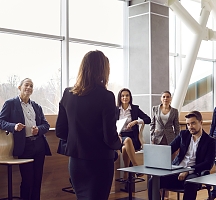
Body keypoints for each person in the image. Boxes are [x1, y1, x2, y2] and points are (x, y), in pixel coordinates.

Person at [55, 50, 122, 200]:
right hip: (100, 163)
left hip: (76, 163)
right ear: (103, 70)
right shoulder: (106, 96)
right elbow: (110, 137)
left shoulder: (68, 94)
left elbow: (60, 131)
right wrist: (119, 142)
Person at [0, 78, 51, 200]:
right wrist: (14, 127)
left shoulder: (37, 106)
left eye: (31, 86)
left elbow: (46, 125)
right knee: (27, 180)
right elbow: (1, 121)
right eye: (26, 85)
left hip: (39, 146)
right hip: (24, 146)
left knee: (37, 180)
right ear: (19, 87)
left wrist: (38, 129)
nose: (29, 88)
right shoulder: (10, 103)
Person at [148, 111, 216, 200]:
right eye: (188, 124)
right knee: (153, 181)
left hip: (194, 173)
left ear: (201, 122)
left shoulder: (210, 141)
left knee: (190, 182)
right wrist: (158, 159)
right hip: (177, 171)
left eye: (193, 123)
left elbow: (208, 164)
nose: (190, 127)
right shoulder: (183, 135)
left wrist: (188, 171)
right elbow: (169, 149)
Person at [150, 91, 180, 199]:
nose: (165, 98)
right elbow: (152, 125)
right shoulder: (155, 109)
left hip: (170, 139)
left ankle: (166, 192)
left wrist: (178, 143)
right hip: (157, 139)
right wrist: (152, 138)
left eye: (167, 97)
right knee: (158, 166)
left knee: (169, 166)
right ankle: (157, 191)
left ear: (170, 99)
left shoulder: (174, 111)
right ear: (161, 98)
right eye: (163, 97)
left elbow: (177, 128)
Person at [116, 88, 151, 180]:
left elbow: (148, 119)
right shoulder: (115, 110)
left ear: (130, 97)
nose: (125, 97)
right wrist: (116, 133)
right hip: (120, 137)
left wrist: (136, 121)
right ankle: (136, 167)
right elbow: (110, 123)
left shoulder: (135, 109)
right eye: (122, 96)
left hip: (134, 137)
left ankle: (126, 173)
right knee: (126, 140)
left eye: (127, 95)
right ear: (119, 98)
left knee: (125, 147)